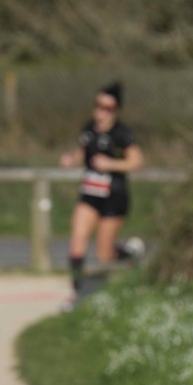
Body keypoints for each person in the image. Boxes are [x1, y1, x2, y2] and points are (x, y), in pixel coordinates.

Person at [59, 81, 144, 304]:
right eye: (98, 105)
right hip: (89, 194)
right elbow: (81, 153)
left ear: (115, 110)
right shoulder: (88, 129)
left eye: (107, 108)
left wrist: (111, 164)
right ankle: (77, 293)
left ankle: (131, 253)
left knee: (104, 254)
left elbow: (136, 161)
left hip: (114, 197)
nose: (101, 112)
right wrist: (71, 159)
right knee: (77, 242)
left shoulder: (122, 133)